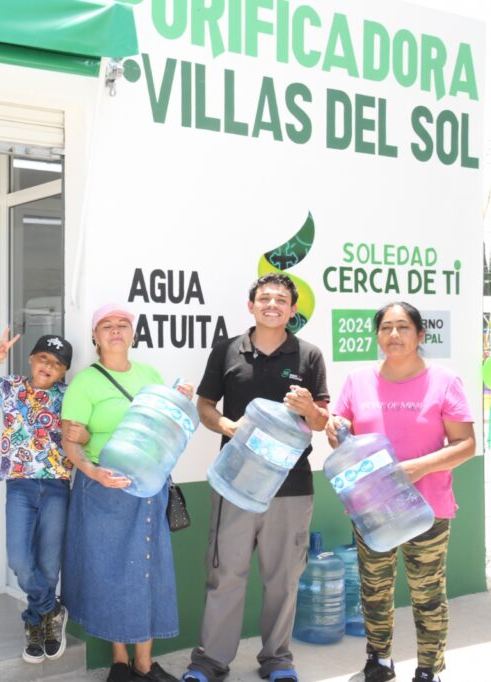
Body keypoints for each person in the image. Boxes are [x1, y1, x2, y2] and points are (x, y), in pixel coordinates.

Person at [183, 273, 329, 682]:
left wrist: (309, 409)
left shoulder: (309, 355)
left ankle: (278, 659)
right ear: (251, 305)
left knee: (283, 578)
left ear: (292, 309)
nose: (272, 305)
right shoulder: (227, 350)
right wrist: (227, 427)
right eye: (264, 298)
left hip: (291, 486)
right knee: (225, 574)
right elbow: (205, 406)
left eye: (281, 300)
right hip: (236, 482)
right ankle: (210, 662)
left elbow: (321, 421)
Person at [325, 302, 476, 682]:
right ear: (377, 336)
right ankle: (379, 659)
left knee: (428, 594)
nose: (394, 334)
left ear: (420, 334)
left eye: (403, 327)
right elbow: (342, 434)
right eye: (386, 327)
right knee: (374, 590)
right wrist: (335, 429)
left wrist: (417, 468)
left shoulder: (444, 381)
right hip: (372, 507)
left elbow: (466, 445)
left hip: (427, 508)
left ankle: (429, 668)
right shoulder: (357, 380)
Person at [61, 303, 193, 682]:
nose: (116, 331)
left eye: (123, 325)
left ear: (133, 333)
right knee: (112, 572)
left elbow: (166, 423)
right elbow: (70, 441)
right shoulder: (85, 383)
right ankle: (120, 660)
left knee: (148, 570)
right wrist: (93, 472)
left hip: (149, 486)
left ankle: (144, 663)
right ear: (95, 336)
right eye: (107, 326)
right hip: (103, 488)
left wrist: (180, 399)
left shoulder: (149, 374)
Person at [0, 328, 75, 665]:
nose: (48, 366)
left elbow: (84, 429)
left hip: (57, 486)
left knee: (48, 565)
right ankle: (52, 610)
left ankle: (37, 624)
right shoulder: (11, 387)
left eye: (56, 363)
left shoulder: (69, 396)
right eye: (43, 358)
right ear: (31, 359)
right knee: (19, 560)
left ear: (63, 372)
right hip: (20, 486)